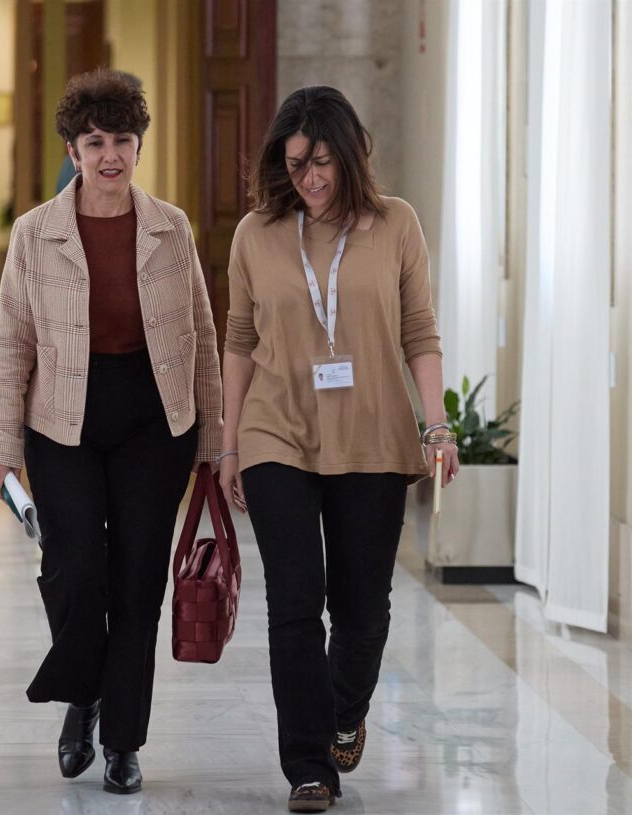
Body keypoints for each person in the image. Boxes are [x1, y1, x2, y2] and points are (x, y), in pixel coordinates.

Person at [218, 86, 460, 813]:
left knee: (362, 610)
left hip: (373, 435)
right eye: (296, 164)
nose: (310, 178)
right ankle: (309, 766)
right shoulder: (257, 233)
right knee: (294, 603)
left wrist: (437, 424)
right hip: (276, 433)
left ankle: (345, 710)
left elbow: (419, 331)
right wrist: (229, 446)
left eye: (322, 162)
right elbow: (239, 339)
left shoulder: (396, 223)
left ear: (351, 155)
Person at [0, 69, 222, 796]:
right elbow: (12, 342)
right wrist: (1, 445)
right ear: (73, 150)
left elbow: (202, 335)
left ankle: (122, 740)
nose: (110, 155)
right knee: (75, 569)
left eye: (122, 140)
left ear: (139, 145)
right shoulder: (34, 233)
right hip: (63, 421)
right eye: (94, 142)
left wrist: (214, 437)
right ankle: (82, 690)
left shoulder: (172, 228)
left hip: (154, 420)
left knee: (138, 581)